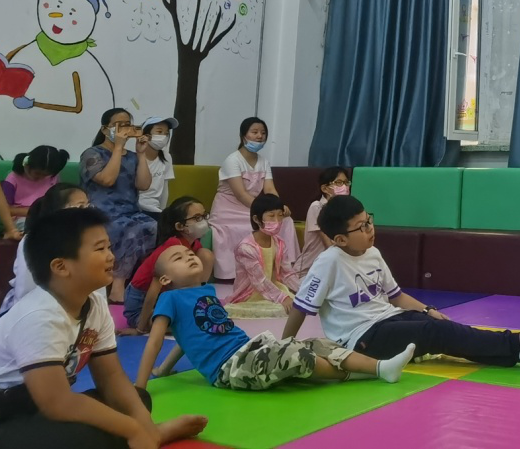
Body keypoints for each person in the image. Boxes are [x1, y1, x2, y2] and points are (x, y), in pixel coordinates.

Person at [0, 207, 207, 448]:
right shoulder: (39, 316)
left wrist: (145, 429)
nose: (111, 256)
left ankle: (152, 434)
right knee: (80, 436)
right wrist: (133, 429)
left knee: (138, 399)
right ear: (61, 267)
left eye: (109, 247)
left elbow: (111, 379)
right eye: (100, 249)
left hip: (37, 408)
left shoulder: (94, 304)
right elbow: (58, 403)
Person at [284, 196, 520, 370]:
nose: (370, 229)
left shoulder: (373, 253)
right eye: (362, 227)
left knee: (442, 326)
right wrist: (285, 343)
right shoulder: (329, 261)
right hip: (361, 338)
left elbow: (397, 296)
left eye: (369, 221)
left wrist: (428, 310)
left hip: (389, 318)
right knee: (437, 333)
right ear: (340, 239)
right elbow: (300, 307)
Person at [135, 243, 416, 393]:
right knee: (295, 355)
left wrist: (165, 369)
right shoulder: (169, 299)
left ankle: (380, 366)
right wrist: (141, 385)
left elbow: (188, 337)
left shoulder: (206, 291)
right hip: (230, 368)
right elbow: (156, 341)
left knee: (314, 343)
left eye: (189, 253)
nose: (189, 256)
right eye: (178, 258)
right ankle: (368, 373)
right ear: (165, 279)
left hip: (252, 348)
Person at [80, 109, 157, 303]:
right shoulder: (92, 154)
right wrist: (117, 149)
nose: (124, 129)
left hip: (130, 211)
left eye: (127, 124)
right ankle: (117, 286)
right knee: (129, 228)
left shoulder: (132, 156)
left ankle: (139, 284)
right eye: (119, 125)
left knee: (152, 226)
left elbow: (144, 185)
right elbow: (107, 179)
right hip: (99, 213)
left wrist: (141, 155)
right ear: (105, 129)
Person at [208, 118, 297, 281]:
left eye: (263, 133)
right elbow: (241, 194)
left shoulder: (264, 162)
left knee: (286, 221)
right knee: (247, 226)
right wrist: (263, 211)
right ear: (243, 136)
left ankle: (285, 267)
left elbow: (270, 189)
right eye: (254, 132)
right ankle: (236, 274)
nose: (259, 136)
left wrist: (279, 207)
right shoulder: (232, 160)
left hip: (253, 207)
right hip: (229, 211)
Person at [0, 183, 97, 313]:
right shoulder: (35, 240)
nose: (87, 212)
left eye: (88, 206)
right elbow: (25, 290)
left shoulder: (90, 239)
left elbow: (96, 286)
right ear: (58, 210)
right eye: (80, 206)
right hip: (34, 311)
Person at [123, 197, 213, 334]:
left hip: (164, 299)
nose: (204, 221)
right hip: (142, 303)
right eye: (197, 218)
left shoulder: (194, 244)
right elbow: (154, 289)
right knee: (182, 324)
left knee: (206, 255)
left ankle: (195, 304)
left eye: (204, 215)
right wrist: (140, 329)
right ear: (180, 226)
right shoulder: (172, 247)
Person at [0, 146, 69, 241]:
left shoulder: (53, 179)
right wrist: (35, 210)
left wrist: (33, 211)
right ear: (27, 165)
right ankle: (11, 230)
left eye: (45, 175)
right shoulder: (13, 178)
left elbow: (55, 208)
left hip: (41, 220)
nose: (40, 177)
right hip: (16, 220)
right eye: (37, 173)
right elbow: (6, 209)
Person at [225, 194, 300, 320]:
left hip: (273, 288)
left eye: (280, 215)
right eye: (271, 216)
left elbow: (287, 273)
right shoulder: (246, 248)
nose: (277, 220)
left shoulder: (279, 243)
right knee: (281, 310)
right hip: (251, 295)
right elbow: (259, 281)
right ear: (256, 219)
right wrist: (282, 298)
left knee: (300, 304)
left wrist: (303, 291)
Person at [297, 167, 349, 274]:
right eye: (339, 183)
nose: (344, 186)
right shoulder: (317, 207)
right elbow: (328, 243)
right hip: (309, 269)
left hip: (332, 266)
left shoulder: (344, 210)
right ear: (325, 188)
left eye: (346, 182)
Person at [134, 118, 177, 223]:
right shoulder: (134, 158)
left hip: (156, 208)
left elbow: (165, 187)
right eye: (159, 132)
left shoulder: (166, 157)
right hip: (138, 207)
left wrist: (163, 211)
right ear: (145, 134)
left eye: (166, 133)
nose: (163, 137)